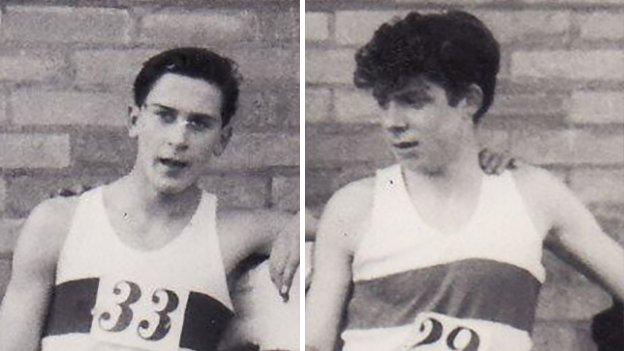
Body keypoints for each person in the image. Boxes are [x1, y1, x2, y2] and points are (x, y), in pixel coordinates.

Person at [305, 11, 624, 351]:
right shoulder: (354, 206)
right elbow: (312, 344)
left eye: (413, 101)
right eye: (384, 102)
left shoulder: (533, 194)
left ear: (469, 100)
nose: (391, 121)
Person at [0, 47, 299, 351]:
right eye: (165, 116)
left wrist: (297, 226)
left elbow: (331, 222)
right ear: (134, 119)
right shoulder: (58, 223)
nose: (178, 140)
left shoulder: (234, 231)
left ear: (222, 139)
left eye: (199, 123)